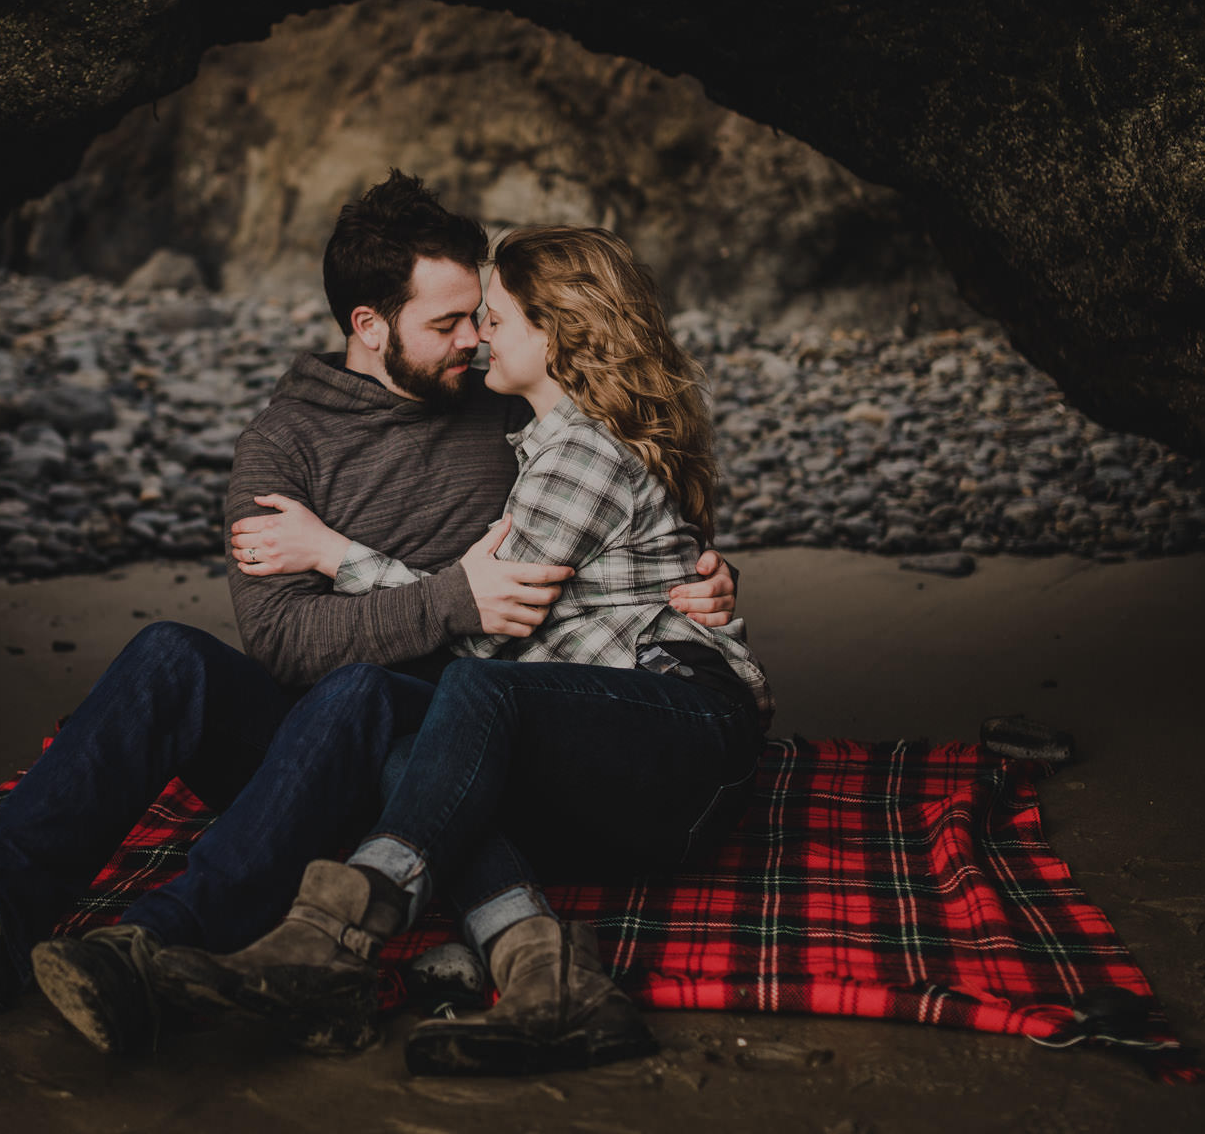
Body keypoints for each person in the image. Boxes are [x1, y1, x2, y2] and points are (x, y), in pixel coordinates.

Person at [0, 175, 741, 1057]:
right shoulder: (282, 446)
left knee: (366, 692)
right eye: (449, 321)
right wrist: (450, 597)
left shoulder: (502, 409)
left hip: (459, 735)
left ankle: (155, 946)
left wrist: (703, 576)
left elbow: (620, 491)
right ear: (369, 325)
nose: (472, 341)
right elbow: (285, 641)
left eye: (482, 317)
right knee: (170, 654)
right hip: (346, 724)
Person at [148, 226, 772, 1077]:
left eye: (498, 317)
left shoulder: (580, 451)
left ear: (555, 335)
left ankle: (336, 934)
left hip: (690, 740)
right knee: (417, 739)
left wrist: (333, 553)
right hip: (620, 745)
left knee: (475, 685)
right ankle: (556, 983)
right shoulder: (542, 440)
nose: (481, 338)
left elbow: (481, 625)